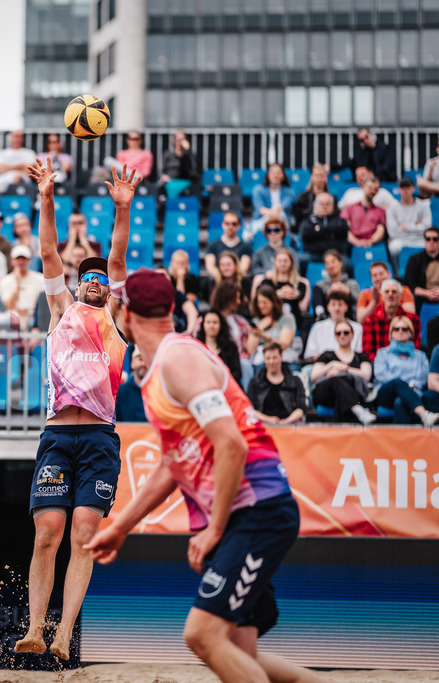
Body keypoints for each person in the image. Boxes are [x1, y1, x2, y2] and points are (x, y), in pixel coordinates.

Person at [85, 268, 324, 683]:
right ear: (171, 309)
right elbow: (172, 464)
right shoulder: (165, 363)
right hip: (242, 515)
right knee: (236, 651)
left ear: (127, 316)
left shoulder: (178, 359)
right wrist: (121, 527)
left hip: (256, 510)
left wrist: (214, 530)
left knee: (201, 635)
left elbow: (232, 445)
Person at [13, 158, 138, 661]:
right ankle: (35, 629)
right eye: (87, 276)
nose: (95, 281)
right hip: (58, 437)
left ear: (108, 287)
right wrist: (45, 197)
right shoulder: (60, 310)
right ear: (78, 283)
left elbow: (119, 255)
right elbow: (48, 251)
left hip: (100, 438)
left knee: (83, 536)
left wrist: (122, 209)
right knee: (47, 534)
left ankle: (65, 634)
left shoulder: (114, 317)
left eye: (101, 278)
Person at [372, 316, 439, 426]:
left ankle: (403, 437)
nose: (400, 332)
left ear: (410, 333)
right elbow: (381, 375)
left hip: (412, 393)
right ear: (391, 333)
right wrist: (404, 384)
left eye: (404, 329)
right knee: (396, 382)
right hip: (386, 394)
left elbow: (422, 378)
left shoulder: (420, 356)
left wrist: (407, 387)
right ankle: (423, 414)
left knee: (400, 402)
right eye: (396, 329)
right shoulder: (382, 353)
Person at [311, 321, 377, 424]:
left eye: (346, 332)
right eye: (338, 333)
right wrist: (331, 364)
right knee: (336, 381)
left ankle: (346, 422)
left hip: (352, 392)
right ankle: (358, 410)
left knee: (341, 389)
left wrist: (345, 369)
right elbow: (314, 376)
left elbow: (366, 376)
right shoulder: (327, 355)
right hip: (326, 393)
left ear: (352, 334)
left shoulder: (361, 356)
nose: (342, 336)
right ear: (335, 336)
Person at [247, 342, 307, 425]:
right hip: (263, 424)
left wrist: (286, 421)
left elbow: (301, 409)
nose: (271, 362)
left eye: (274, 358)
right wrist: (268, 420)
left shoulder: (295, 381)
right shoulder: (255, 382)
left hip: (290, 424)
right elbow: (250, 409)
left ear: (281, 357)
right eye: (268, 358)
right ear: (264, 359)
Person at [362, 278, 421, 360]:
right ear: (382, 296)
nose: (390, 295)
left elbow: (416, 349)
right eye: (387, 292)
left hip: (407, 363)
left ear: (400, 296)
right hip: (379, 364)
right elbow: (367, 352)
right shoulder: (370, 321)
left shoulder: (412, 320)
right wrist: (382, 363)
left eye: (394, 292)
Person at [255, 248, 309, 331]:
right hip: (271, 322)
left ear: (291, 262)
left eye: (285, 261)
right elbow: (259, 299)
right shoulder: (267, 283)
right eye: (280, 261)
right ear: (275, 262)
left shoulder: (300, 284)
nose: (282, 264)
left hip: (294, 322)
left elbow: (303, 305)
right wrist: (276, 294)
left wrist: (295, 294)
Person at [245, 285, 298, 369]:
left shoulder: (287, 318)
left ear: (273, 302)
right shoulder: (257, 321)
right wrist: (259, 328)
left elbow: (284, 345)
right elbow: (250, 350)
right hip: (262, 362)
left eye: (265, 302)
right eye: (259, 302)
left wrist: (264, 336)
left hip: (284, 360)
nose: (261, 306)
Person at [303, 289, 361, 364]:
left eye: (340, 304)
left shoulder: (357, 328)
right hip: (323, 365)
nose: (337, 308)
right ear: (328, 307)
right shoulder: (318, 327)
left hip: (350, 365)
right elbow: (311, 355)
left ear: (346, 307)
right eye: (333, 304)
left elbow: (359, 354)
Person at [385, 176, 432, 261]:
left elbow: (427, 228)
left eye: (408, 188)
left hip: (420, 239)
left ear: (413, 188)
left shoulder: (424, 206)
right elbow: (393, 233)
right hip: (401, 240)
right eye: (402, 188)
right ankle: (397, 270)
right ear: (399, 190)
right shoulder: (392, 208)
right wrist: (417, 226)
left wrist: (406, 227)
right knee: (394, 248)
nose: (405, 191)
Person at [0, 244, 42, 329]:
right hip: (12, 317)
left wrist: (29, 311)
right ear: (12, 261)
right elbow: (9, 305)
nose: (21, 262)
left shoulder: (40, 279)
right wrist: (18, 284)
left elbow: (42, 303)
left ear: (29, 260)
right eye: (18, 259)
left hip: (33, 316)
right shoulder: (5, 280)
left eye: (24, 259)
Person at [299, 192, 350, 265]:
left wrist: (318, 230)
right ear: (316, 205)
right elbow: (305, 235)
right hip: (313, 254)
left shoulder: (340, 221)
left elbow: (343, 231)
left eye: (327, 204)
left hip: (336, 255)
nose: (324, 206)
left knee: (347, 265)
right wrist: (331, 233)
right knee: (302, 260)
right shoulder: (308, 221)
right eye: (322, 204)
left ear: (332, 206)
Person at [194, 309, 242, 385]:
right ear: (203, 325)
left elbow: (237, 373)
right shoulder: (197, 347)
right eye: (208, 322)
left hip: (226, 386)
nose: (211, 326)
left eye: (215, 322)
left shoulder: (231, 346)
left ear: (221, 325)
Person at [311, 250, 360, 319]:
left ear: (341, 263)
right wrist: (330, 293)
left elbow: (359, 303)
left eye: (333, 262)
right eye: (327, 263)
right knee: (317, 288)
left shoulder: (352, 283)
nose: (330, 266)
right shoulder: (320, 285)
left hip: (349, 319)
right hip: (327, 319)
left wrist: (348, 293)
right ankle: (321, 315)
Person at [204, 212, 251, 282]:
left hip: (237, 281)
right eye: (227, 223)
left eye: (234, 224)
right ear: (223, 225)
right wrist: (222, 278)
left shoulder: (245, 247)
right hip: (218, 281)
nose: (230, 226)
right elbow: (210, 267)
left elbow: (243, 268)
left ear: (239, 226)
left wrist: (232, 279)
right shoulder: (213, 245)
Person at [341, 177, 387, 249]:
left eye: (376, 189)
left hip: (372, 244)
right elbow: (346, 230)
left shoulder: (380, 211)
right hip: (352, 243)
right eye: (370, 188)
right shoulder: (349, 208)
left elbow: (380, 230)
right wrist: (357, 242)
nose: (372, 191)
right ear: (363, 187)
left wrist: (371, 241)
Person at [250, 163, 295, 235]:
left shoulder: (289, 192)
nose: (276, 175)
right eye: (273, 173)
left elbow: (282, 207)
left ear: (283, 176)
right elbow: (261, 209)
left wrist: (276, 212)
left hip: (281, 221)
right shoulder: (258, 190)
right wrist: (273, 214)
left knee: (281, 213)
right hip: (262, 220)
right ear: (268, 175)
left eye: (278, 173)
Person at [290, 163, 334, 227]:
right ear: (312, 177)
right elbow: (297, 216)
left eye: (322, 176)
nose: (319, 179)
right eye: (317, 176)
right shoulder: (303, 197)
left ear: (326, 178)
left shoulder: (331, 198)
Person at [159, 130, 199, 195]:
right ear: (174, 141)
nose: (181, 142)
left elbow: (192, 170)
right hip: (170, 182)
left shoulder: (190, 155)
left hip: (186, 183)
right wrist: (163, 176)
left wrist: (187, 151)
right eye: (179, 140)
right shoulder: (168, 154)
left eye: (183, 139)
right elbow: (161, 170)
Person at [115, 348, 147, 422]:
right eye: (140, 359)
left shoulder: (160, 392)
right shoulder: (121, 392)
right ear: (132, 363)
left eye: (147, 360)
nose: (144, 364)